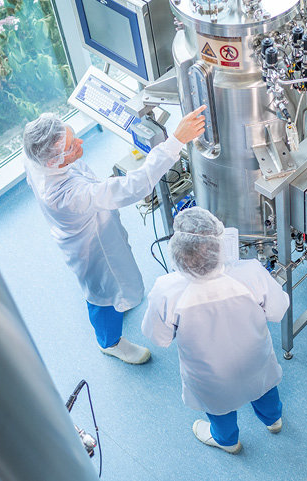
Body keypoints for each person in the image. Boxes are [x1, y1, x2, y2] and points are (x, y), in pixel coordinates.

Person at [22, 106, 206, 364]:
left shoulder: (35, 152)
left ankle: (117, 310)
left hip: (92, 224)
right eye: (72, 146)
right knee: (102, 293)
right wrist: (175, 141)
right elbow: (134, 187)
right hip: (91, 245)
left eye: (72, 135)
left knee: (114, 284)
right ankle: (110, 342)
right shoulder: (68, 196)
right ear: (53, 161)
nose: (80, 142)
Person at [141, 207, 290, 454]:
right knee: (263, 388)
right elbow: (278, 310)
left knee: (218, 407)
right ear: (218, 245)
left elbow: (159, 337)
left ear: (177, 250)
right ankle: (273, 421)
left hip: (209, 373)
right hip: (254, 357)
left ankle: (227, 441)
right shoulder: (250, 271)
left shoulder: (166, 290)